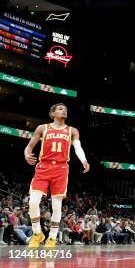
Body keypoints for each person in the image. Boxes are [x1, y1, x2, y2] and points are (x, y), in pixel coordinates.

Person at [24, 103, 90, 248]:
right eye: (60, 109)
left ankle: (52, 238)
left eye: (65, 109)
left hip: (61, 169)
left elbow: (78, 147)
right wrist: (26, 155)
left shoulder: (72, 130)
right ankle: (37, 233)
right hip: (43, 167)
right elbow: (29, 147)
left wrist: (84, 160)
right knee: (33, 201)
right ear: (52, 113)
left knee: (57, 205)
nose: (64, 111)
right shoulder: (43, 128)